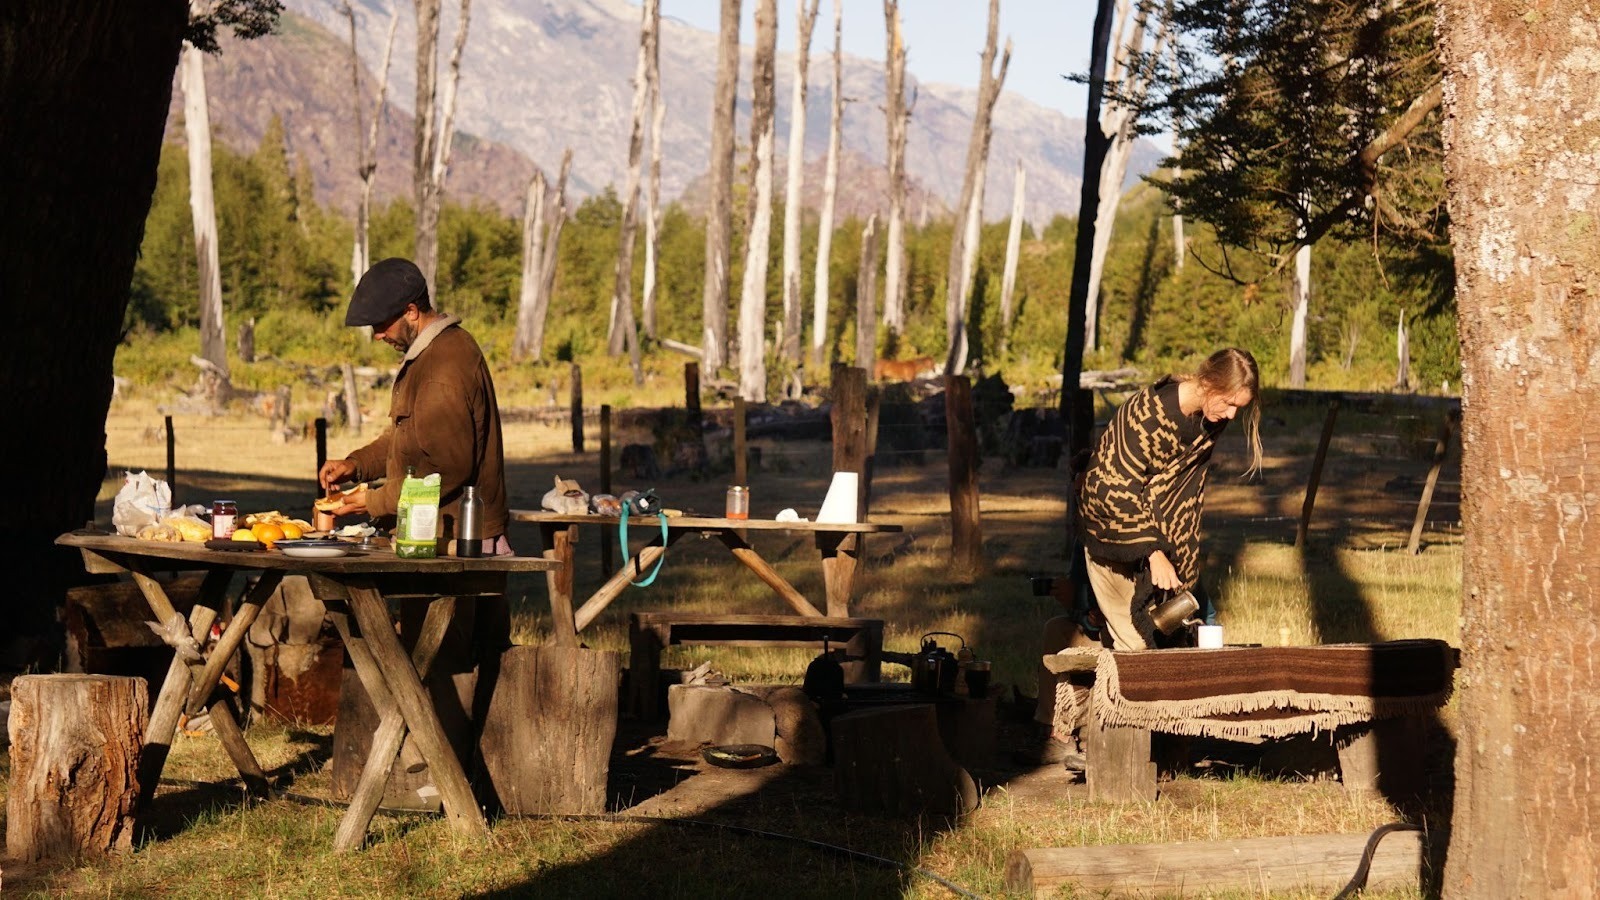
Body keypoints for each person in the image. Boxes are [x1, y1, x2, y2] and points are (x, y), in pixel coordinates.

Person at [1022, 348, 1262, 766]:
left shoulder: (1208, 422)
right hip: (1114, 534)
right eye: (1228, 403)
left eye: (1238, 409)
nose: (1229, 416)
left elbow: (1180, 491)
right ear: (1209, 382)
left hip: (1160, 544)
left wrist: (1178, 559)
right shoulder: (1149, 414)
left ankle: (1159, 747)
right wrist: (1152, 550)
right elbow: (1113, 484)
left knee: (1166, 642)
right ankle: (1113, 753)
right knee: (1135, 650)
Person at [318, 257, 510, 553]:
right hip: (429, 536)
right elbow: (404, 442)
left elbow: (445, 470)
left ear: (410, 312)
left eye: (381, 325)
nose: (378, 335)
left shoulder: (443, 366)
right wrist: (355, 465)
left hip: (458, 542)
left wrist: (374, 501)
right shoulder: (426, 357)